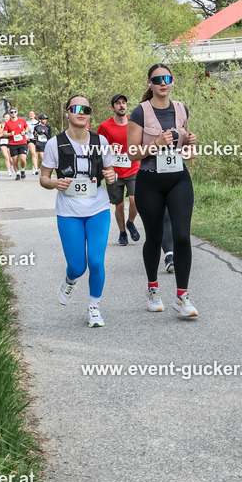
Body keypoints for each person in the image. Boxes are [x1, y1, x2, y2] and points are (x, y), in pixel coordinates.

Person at [126, 63, 198, 317]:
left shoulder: (181, 108)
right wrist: (155, 143)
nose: (162, 83)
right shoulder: (140, 112)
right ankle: (153, 290)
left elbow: (186, 150)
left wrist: (189, 143)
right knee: (154, 238)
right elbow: (132, 153)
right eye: (157, 80)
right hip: (150, 180)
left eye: (166, 78)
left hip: (178, 179)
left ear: (172, 81)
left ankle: (182, 296)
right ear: (150, 84)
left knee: (181, 237)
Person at [40, 95, 118, 328]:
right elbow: (44, 178)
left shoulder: (100, 141)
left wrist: (112, 176)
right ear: (67, 112)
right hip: (68, 211)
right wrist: (54, 183)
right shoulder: (55, 143)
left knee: (95, 261)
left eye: (86, 108)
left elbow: (110, 171)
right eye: (76, 108)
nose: (81, 112)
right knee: (77, 266)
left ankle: (94, 307)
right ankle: (70, 280)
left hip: (98, 208)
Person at [97, 94, 142, 246]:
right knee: (120, 205)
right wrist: (109, 148)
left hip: (133, 167)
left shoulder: (134, 123)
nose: (121, 105)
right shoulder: (105, 126)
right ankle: (122, 233)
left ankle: (130, 222)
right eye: (118, 103)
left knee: (135, 200)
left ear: (127, 106)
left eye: (124, 103)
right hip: (113, 170)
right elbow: (98, 148)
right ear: (112, 108)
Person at [5, 107, 30, 179]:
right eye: (11, 112)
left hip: (22, 142)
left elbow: (27, 128)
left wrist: (24, 132)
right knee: (15, 160)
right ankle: (17, 174)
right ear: (10, 114)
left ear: (17, 112)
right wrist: (10, 134)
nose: (13, 113)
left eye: (14, 112)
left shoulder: (22, 121)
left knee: (23, 159)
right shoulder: (8, 123)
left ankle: (22, 170)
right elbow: (4, 133)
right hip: (13, 143)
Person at [26, 110, 42, 175]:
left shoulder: (38, 122)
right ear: (28, 115)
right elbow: (24, 130)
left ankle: (35, 166)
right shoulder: (26, 122)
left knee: (37, 154)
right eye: (30, 114)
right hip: (30, 139)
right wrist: (26, 137)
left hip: (37, 139)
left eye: (32, 114)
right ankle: (35, 169)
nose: (31, 115)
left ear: (35, 115)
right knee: (33, 153)